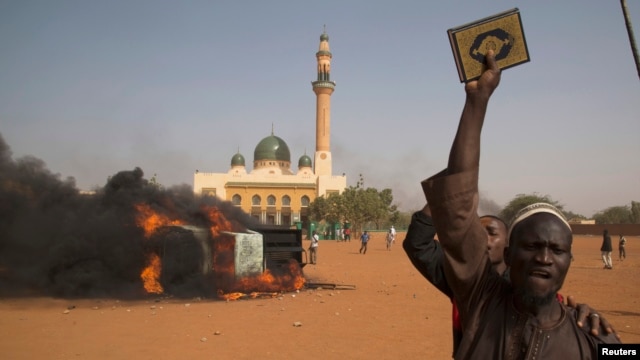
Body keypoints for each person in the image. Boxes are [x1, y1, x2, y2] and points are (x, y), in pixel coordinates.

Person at [421, 50, 619, 359]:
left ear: (569, 260)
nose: (543, 257)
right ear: (510, 255)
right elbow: (457, 208)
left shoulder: (593, 338)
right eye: (532, 246)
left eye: (557, 250)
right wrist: (477, 100)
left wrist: (613, 347)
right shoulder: (481, 300)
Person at [403, 204, 616, 357]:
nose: (543, 258)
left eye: (491, 232)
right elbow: (418, 244)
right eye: (476, 232)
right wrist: (446, 188)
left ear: (508, 246)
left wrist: (592, 330)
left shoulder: (555, 307)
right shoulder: (467, 286)